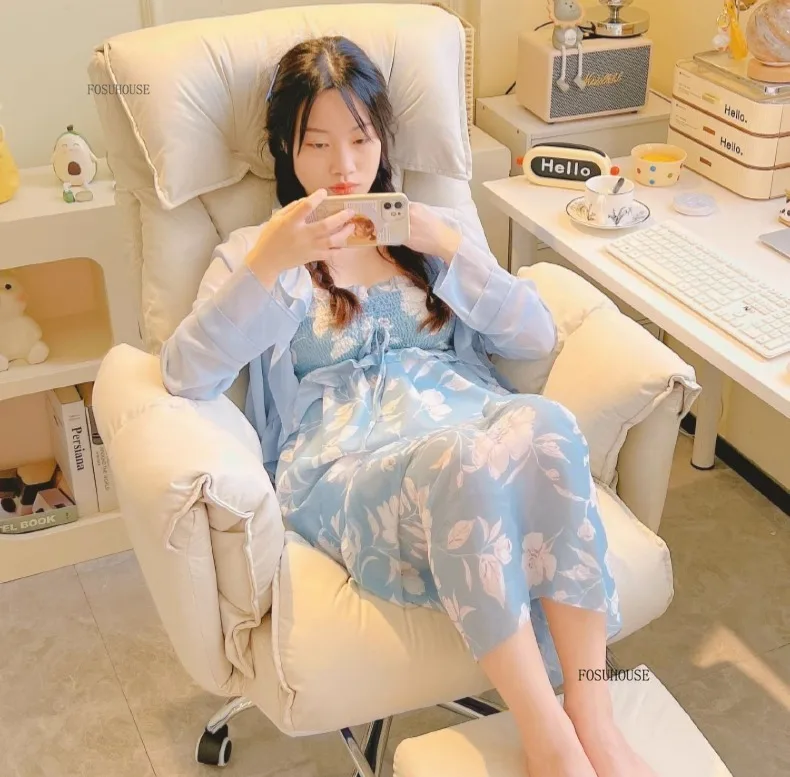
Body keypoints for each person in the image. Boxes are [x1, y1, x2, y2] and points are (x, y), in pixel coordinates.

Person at [161, 35, 657, 777]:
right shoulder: (255, 250)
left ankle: (594, 716)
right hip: (349, 466)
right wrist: (273, 262)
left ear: (385, 138)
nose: (344, 165)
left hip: (470, 430)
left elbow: (534, 334)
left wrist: (448, 246)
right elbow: (185, 373)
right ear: (286, 149)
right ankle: (548, 738)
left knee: (548, 424)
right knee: (466, 461)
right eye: (317, 143)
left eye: (361, 138)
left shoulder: (424, 229)